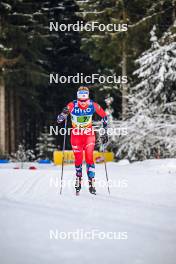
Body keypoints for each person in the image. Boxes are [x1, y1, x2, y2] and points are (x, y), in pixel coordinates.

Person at [57, 86, 108, 195]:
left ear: (88, 97)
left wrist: (104, 131)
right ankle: (78, 179)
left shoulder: (93, 105)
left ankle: (91, 183)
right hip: (76, 136)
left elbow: (104, 116)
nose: (84, 104)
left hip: (89, 135)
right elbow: (59, 120)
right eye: (81, 100)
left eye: (85, 100)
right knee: (79, 159)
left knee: (89, 157)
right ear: (78, 97)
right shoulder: (72, 105)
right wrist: (63, 113)